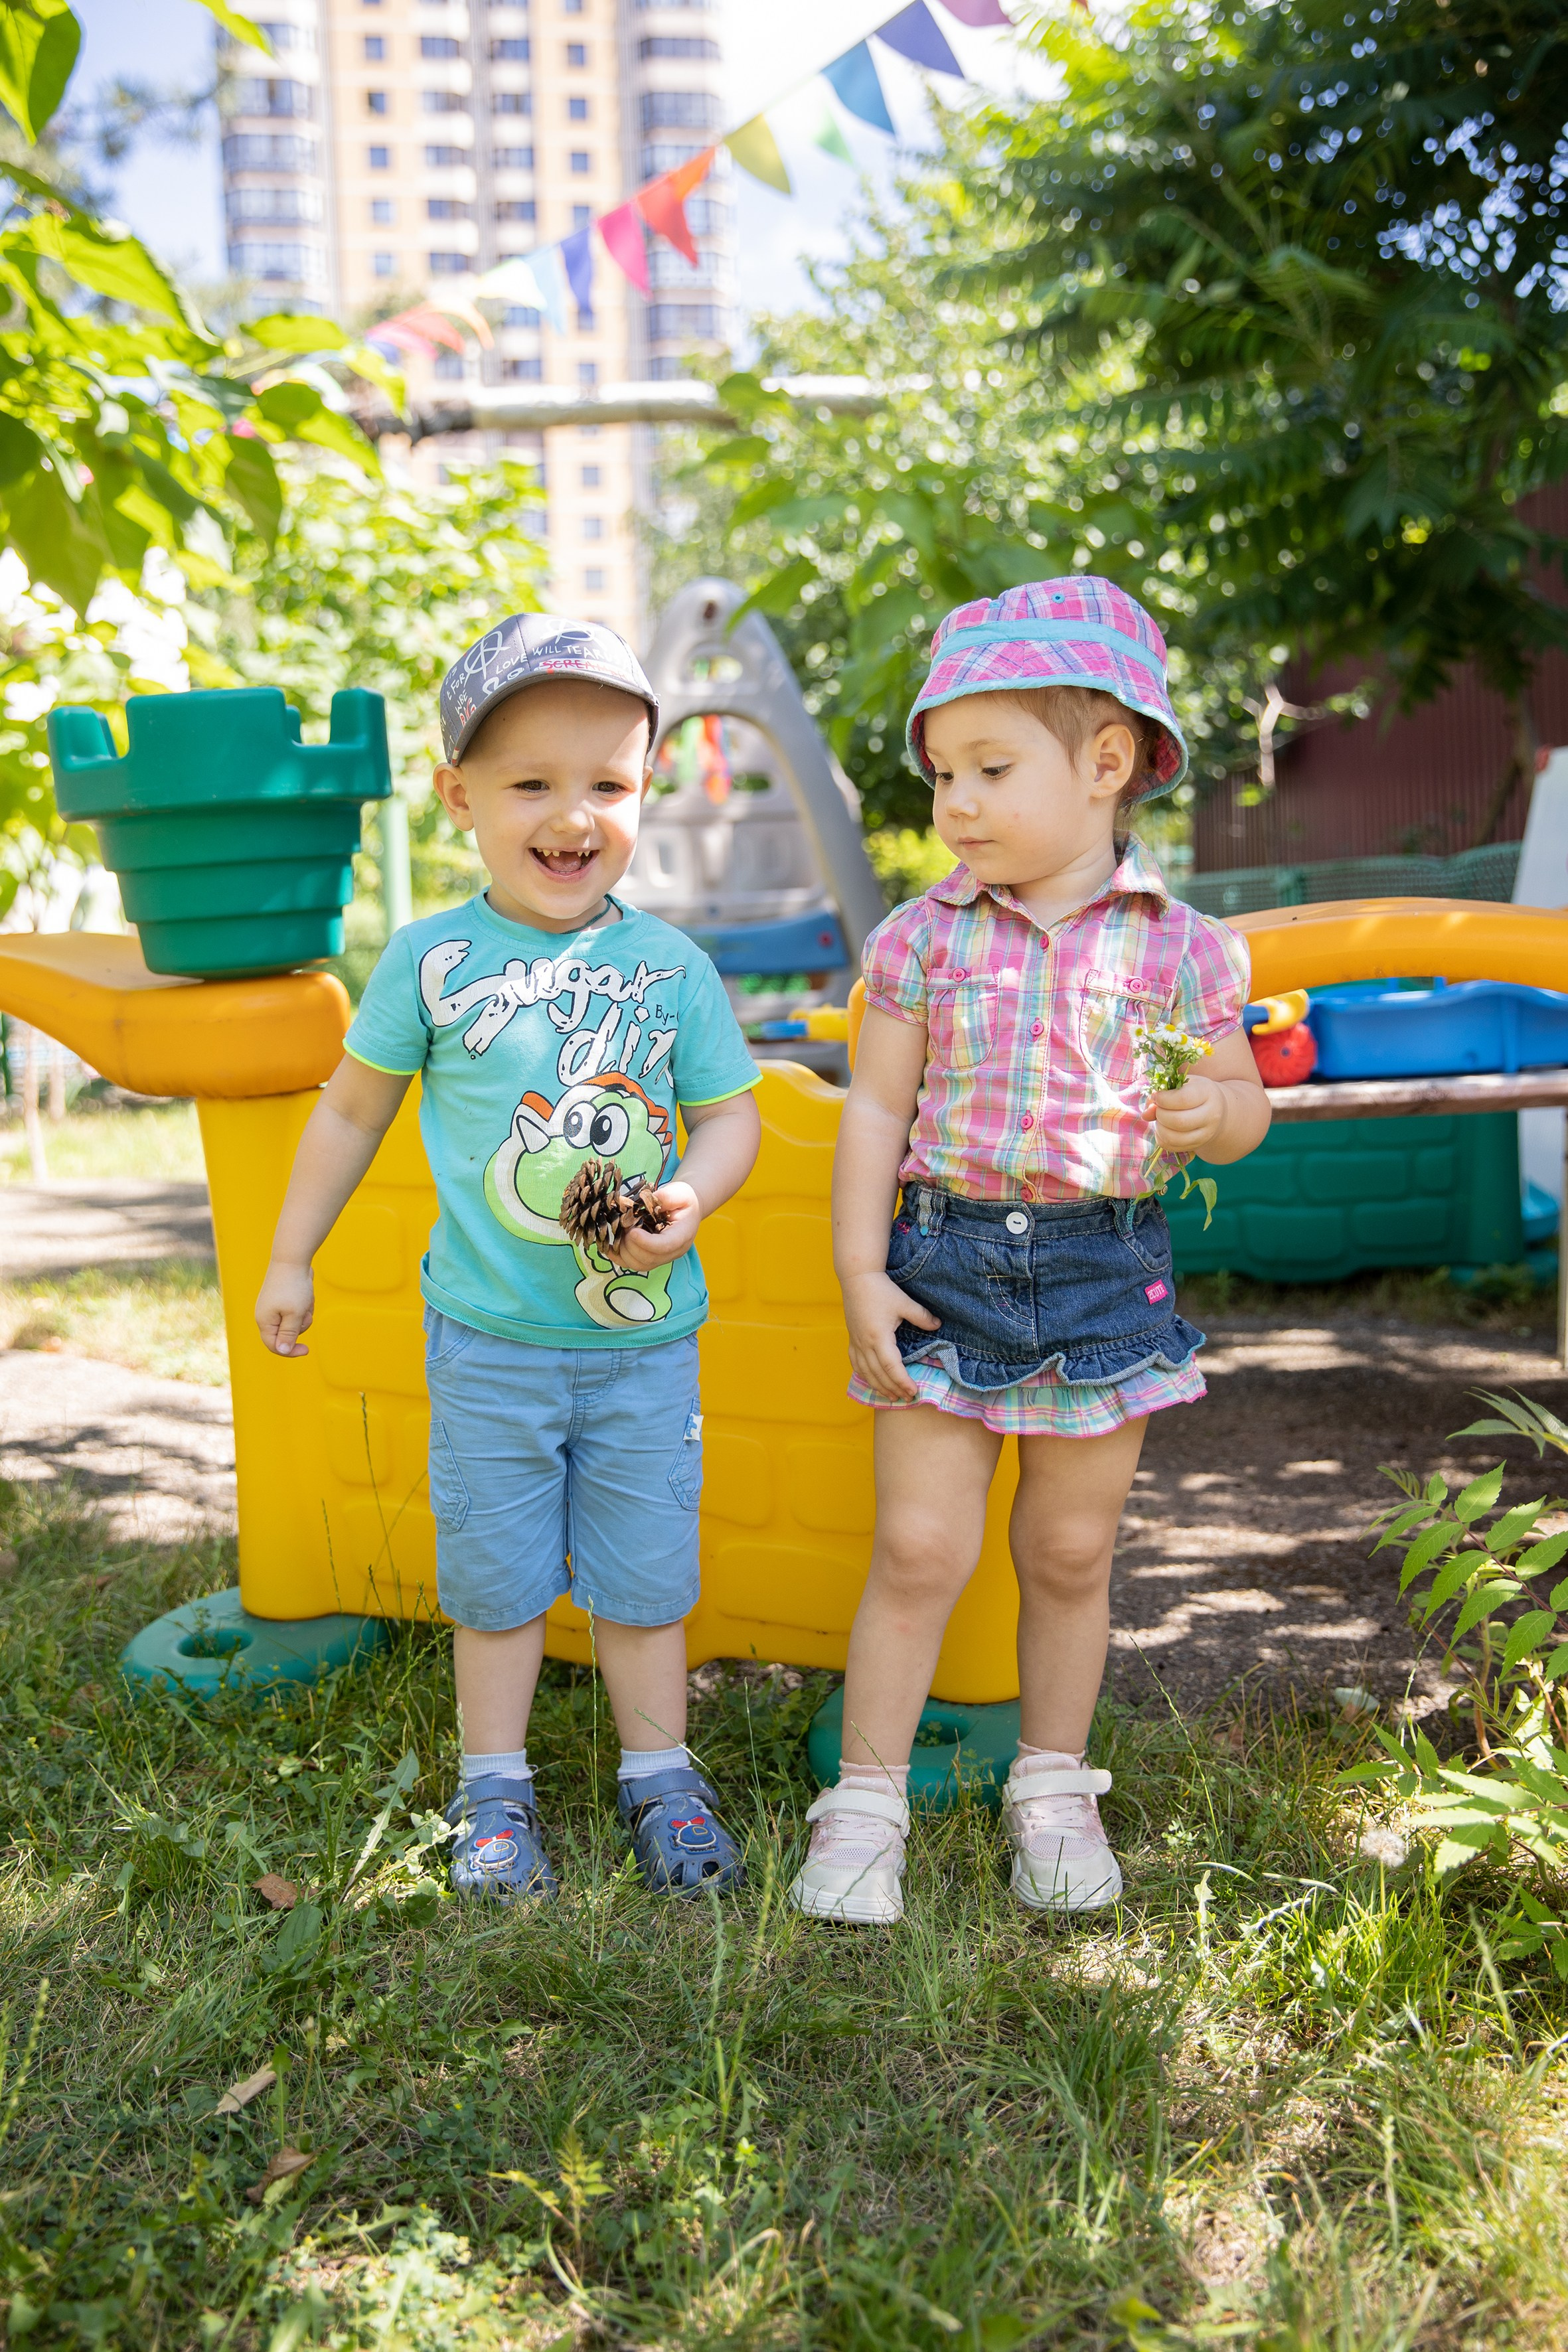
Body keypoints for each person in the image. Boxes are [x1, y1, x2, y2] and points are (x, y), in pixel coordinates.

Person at [255, 615, 762, 1905]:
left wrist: (693, 1195)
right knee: (496, 1577)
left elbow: (731, 1114)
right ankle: (494, 1784)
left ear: (641, 791)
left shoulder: (669, 966)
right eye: (531, 782)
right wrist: (291, 1255)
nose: (572, 814)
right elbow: (351, 1111)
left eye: (606, 781)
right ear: (458, 795)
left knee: (646, 1577)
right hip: (488, 1340)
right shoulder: (430, 959)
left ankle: (659, 1774)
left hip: (642, 1339)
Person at [793, 578, 1271, 1926]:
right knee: (919, 1547)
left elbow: (1242, 1109)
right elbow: (876, 1110)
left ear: (1104, 764)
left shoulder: (1180, 946)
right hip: (940, 1262)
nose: (953, 800)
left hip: (1104, 1267)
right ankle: (866, 1803)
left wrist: (1211, 1112)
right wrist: (857, 1267)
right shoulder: (918, 938)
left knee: (1068, 1551)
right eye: (944, 771)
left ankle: (1052, 1786)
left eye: (989, 768)